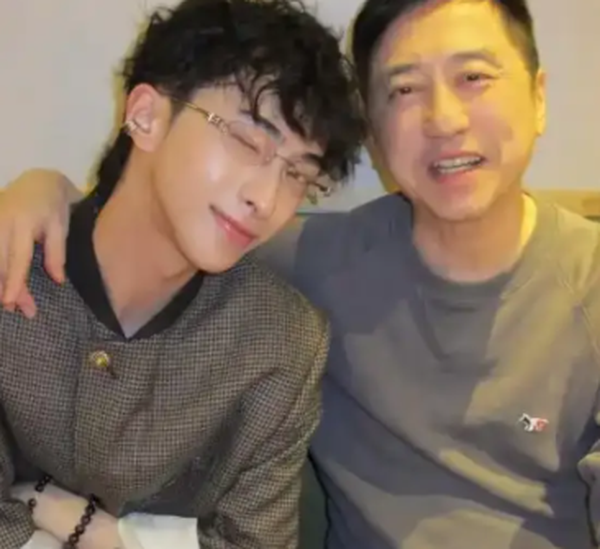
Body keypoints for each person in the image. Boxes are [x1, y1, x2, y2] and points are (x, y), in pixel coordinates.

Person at [2, 0, 600, 548]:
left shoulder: (281, 326)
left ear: (539, 97)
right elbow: (137, 225)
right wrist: (40, 192)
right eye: (405, 88)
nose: (266, 199)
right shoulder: (307, 261)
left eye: (474, 77)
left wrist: (103, 534)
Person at [0, 0, 366, 548]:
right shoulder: (14, 262)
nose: (267, 200)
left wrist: (105, 534)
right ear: (146, 116)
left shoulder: (279, 345)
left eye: (297, 175)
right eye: (247, 140)